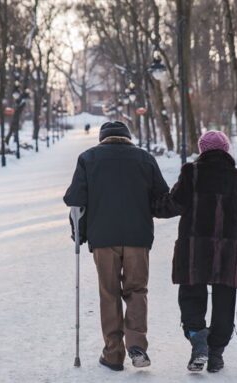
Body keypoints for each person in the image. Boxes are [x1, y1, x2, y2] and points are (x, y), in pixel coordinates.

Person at [64, 121, 169, 371]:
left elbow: (75, 201)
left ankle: (113, 354)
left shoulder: (88, 159)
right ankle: (137, 345)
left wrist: (78, 235)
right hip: (138, 238)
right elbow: (162, 196)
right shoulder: (144, 159)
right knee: (137, 290)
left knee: (109, 293)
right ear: (128, 138)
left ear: (102, 138)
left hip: (103, 239)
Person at [154, 130, 237, 373]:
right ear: (226, 150)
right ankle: (216, 354)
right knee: (224, 301)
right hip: (228, 252)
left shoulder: (191, 173)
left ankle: (198, 340)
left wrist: (150, 205)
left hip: (194, 250)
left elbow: (173, 204)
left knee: (191, 296)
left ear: (202, 150)